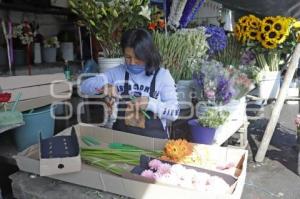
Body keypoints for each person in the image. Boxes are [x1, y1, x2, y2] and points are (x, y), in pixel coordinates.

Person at [80, 28, 179, 139]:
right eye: (128, 57)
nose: (132, 62)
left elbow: (174, 113)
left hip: (154, 145)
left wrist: (151, 103)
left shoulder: (162, 76)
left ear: (148, 54)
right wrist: (104, 86)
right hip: (121, 143)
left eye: (137, 58)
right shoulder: (116, 73)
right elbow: (83, 87)